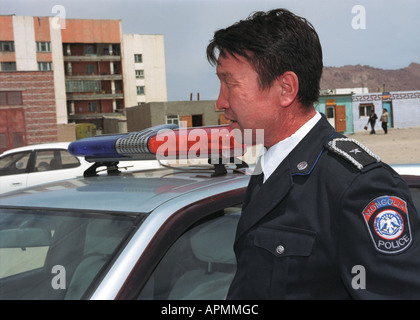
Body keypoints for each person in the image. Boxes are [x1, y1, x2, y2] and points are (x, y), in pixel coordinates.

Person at [207, 8, 420, 299]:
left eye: (230, 84)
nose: (220, 102)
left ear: (286, 89)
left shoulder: (357, 187)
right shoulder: (268, 166)